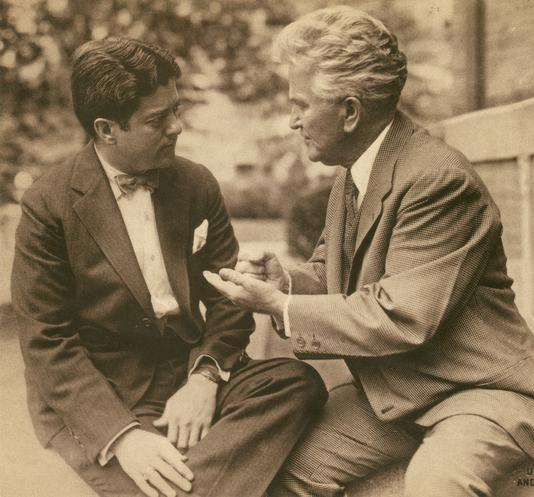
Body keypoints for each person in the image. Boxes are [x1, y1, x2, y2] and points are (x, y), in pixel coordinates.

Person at [203, 6, 534, 497]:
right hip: (401, 394)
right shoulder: (357, 171)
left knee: (436, 484)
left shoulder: (437, 180)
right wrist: (284, 283)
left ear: (351, 111)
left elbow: (402, 314)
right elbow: (333, 274)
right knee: (278, 467)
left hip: (482, 394)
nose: (292, 121)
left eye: (301, 105)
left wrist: (281, 307)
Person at [11, 37, 327, 497]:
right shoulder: (49, 203)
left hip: (185, 370)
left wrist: (204, 378)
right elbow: (47, 341)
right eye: (158, 120)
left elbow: (227, 297)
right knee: (152, 474)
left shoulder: (195, 183)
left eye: (176, 110)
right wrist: (124, 437)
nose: (176, 127)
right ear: (106, 129)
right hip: (103, 391)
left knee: (294, 383)